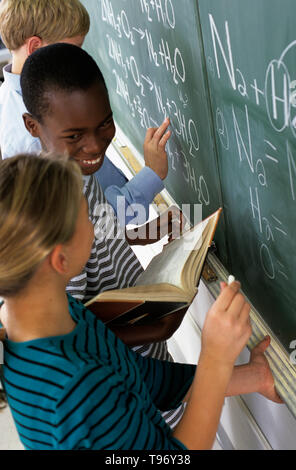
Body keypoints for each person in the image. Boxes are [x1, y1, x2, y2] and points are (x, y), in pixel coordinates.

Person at [0, 154, 282, 450]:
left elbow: (142, 379)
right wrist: (216, 357)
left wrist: (253, 377)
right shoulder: (77, 386)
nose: (97, 224)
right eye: (87, 216)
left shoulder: (52, 315)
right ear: (61, 259)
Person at [20, 43, 188, 429]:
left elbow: (104, 222)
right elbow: (72, 333)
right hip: (128, 378)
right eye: (76, 135)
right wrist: (148, 323)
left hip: (146, 351)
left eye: (104, 125)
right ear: (33, 126)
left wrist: (148, 208)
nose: (95, 146)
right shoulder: (54, 218)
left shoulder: (71, 171)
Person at [0, 0, 167, 226]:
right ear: (35, 48)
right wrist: (152, 174)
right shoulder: (37, 141)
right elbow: (93, 222)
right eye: (72, 50)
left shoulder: (8, 96)